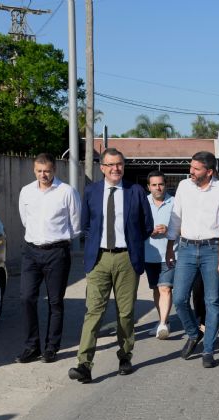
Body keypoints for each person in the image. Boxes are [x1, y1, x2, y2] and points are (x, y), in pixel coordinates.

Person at [69, 148, 153, 383]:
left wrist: (132, 243)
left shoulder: (135, 191)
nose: (116, 168)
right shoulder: (91, 192)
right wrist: (98, 245)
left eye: (119, 164)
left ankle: (125, 356)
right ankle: (84, 364)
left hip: (127, 259)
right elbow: (86, 224)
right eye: (111, 165)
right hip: (99, 259)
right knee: (93, 312)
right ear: (102, 168)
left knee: (125, 313)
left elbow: (147, 225)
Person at [166, 151, 219, 369]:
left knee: (212, 301)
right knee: (179, 298)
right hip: (185, 248)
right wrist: (170, 245)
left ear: (209, 172)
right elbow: (176, 216)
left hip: (212, 249)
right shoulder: (184, 187)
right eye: (191, 167)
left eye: (196, 168)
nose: (191, 171)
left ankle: (208, 350)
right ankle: (194, 333)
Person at [15, 153, 81, 364]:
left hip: (57, 253)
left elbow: (76, 224)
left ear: (54, 170)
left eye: (47, 171)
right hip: (31, 252)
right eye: (39, 171)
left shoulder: (66, 191)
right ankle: (31, 346)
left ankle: (51, 347)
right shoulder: (26, 191)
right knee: (26, 298)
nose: (43, 175)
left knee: (55, 302)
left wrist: (57, 241)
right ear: (34, 170)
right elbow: (25, 220)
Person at [144, 170, 176, 339]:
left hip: (169, 254)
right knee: (156, 289)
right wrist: (148, 230)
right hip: (149, 254)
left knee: (165, 288)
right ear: (148, 187)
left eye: (161, 184)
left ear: (166, 185)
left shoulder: (175, 203)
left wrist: (168, 230)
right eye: (154, 185)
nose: (158, 188)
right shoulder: (142, 202)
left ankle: (163, 324)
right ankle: (163, 320)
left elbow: (184, 227)